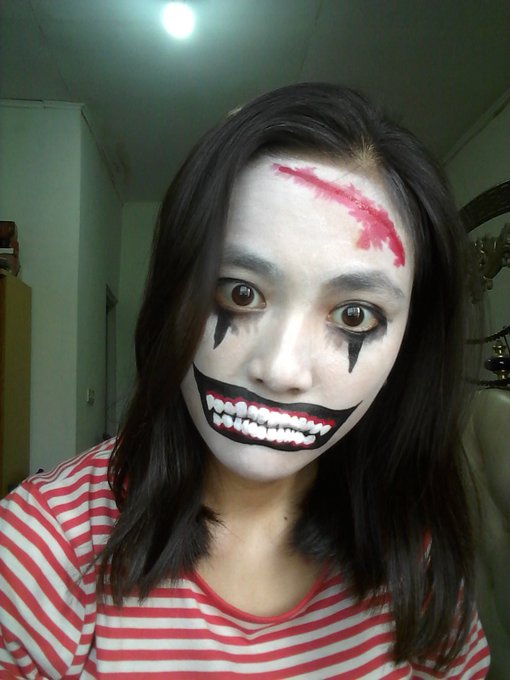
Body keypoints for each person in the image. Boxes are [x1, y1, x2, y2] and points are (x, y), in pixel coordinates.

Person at [0, 83, 490, 678]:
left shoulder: (418, 555)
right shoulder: (39, 553)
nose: (281, 370)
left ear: (410, 346)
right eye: (240, 292)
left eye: (355, 315)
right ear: (173, 295)